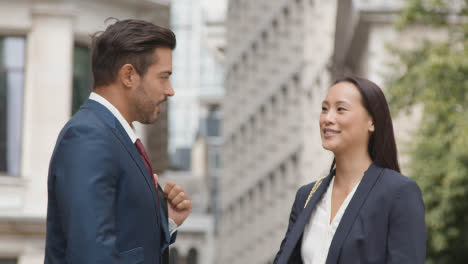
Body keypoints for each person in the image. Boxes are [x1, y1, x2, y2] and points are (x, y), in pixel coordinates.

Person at [45, 19, 192, 264]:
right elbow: (91, 255)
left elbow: (125, 245)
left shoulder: (115, 138)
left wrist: (165, 222)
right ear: (128, 75)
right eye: (164, 77)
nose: (170, 90)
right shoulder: (88, 137)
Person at [274, 76, 426, 264]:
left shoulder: (399, 193)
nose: (328, 119)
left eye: (340, 109)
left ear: (372, 122)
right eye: (324, 109)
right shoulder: (305, 197)